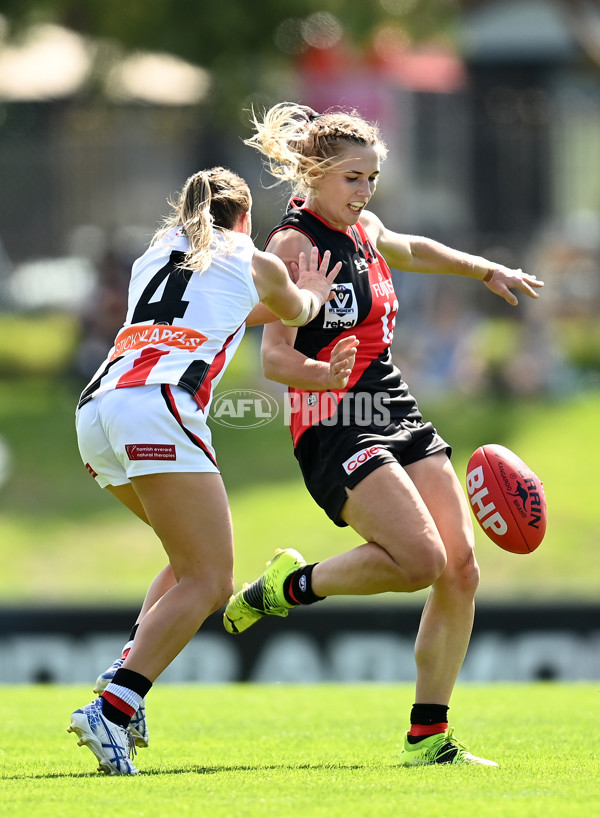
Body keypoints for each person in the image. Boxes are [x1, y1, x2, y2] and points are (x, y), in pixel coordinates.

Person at [222, 103, 544, 767]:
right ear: (312, 175)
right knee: (419, 561)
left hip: (393, 406)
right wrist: (323, 370)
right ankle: (290, 586)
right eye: (352, 179)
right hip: (333, 421)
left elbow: (411, 248)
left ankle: (429, 737)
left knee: (459, 568)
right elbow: (274, 358)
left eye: (371, 178)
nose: (364, 192)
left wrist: (483, 268)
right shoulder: (292, 246)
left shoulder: (364, 226)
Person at [67, 165, 340, 775]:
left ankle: (124, 683)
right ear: (246, 218)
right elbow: (296, 311)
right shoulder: (254, 258)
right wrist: (315, 286)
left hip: (99, 409)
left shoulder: (156, 251)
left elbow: (219, 313)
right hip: (160, 405)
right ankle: (113, 706)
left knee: (187, 561)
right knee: (212, 580)